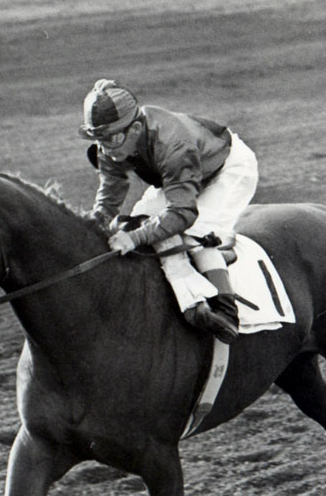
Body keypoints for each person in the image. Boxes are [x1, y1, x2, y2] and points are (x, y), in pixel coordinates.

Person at [81, 79, 259, 342]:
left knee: (195, 235)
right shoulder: (111, 145)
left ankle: (226, 311)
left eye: (111, 139)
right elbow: (109, 196)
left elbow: (182, 213)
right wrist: (92, 228)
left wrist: (134, 238)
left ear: (136, 128)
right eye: (99, 139)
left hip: (227, 171)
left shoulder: (173, 143)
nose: (105, 149)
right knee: (135, 220)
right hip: (180, 176)